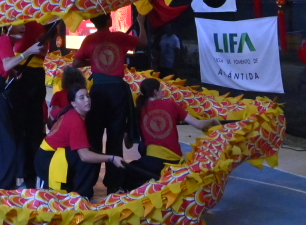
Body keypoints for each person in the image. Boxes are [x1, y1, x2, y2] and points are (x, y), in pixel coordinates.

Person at [73, 14, 141, 192]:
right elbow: (145, 43)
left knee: (94, 136)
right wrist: (141, 21)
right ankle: (113, 184)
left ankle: (88, 182)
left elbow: (76, 63)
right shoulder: (120, 37)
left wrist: (94, 61)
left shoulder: (89, 40)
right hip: (117, 91)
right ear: (109, 21)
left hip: (98, 91)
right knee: (115, 136)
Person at [123, 78, 223, 184]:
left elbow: (128, 144)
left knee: (130, 169)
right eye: (161, 90)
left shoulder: (138, 110)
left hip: (151, 162)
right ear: (156, 92)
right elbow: (199, 125)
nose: (163, 93)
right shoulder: (171, 104)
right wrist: (212, 120)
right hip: (174, 162)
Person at [0, 25, 43, 190]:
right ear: (8, 28)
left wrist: (13, 71)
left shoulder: (3, 41)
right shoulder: (5, 39)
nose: (23, 27)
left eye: (24, 26)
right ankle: (0, 182)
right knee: (6, 142)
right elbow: (6, 64)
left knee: (4, 141)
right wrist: (29, 51)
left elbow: (3, 66)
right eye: (18, 25)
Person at [36, 85, 126, 199]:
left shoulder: (72, 113)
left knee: (91, 152)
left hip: (46, 157)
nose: (87, 100)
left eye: (88, 96)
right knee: (89, 158)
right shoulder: (75, 120)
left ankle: (77, 192)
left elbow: (54, 113)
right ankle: (81, 196)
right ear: (73, 104)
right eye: (81, 98)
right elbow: (84, 156)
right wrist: (111, 158)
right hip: (47, 161)